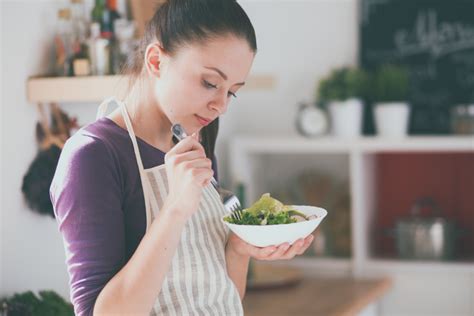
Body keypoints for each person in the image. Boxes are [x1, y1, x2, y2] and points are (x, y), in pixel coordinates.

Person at [50, 0, 314, 315]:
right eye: (210, 83)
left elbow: (224, 298)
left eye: (231, 91)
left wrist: (239, 248)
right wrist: (175, 209)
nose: (221, 106)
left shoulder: (195, 142)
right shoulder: (92, 156)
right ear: (156, 61)